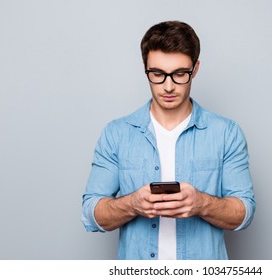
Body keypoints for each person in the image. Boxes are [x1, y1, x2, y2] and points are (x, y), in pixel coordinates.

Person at [81, 20, 256, 260]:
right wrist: (132, 204)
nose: (169, 86)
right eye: (158, 74)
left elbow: (244, 213)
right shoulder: (116, 134)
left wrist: (202, 204)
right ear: (146, 69)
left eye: (180, 74)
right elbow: (91, 213)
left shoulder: (226, 133)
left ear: (195, 69)